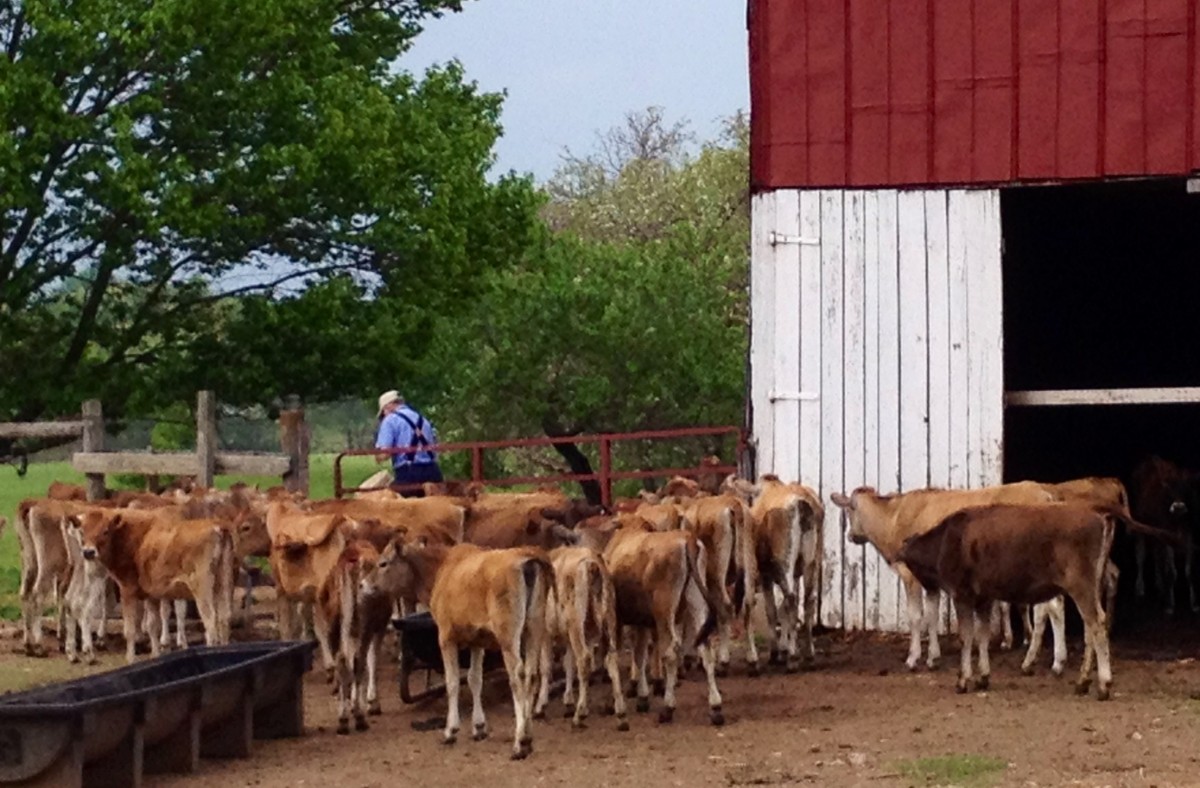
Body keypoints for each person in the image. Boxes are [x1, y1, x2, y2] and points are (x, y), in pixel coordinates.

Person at [374, 390, 444, 497]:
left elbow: (384, 454)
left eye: (383, 412)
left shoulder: (390, 420)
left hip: (409, 474)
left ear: (388, 406)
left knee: (386, 502)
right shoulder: (423, 420)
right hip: (433, 472)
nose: (384, 415)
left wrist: (377, 456)